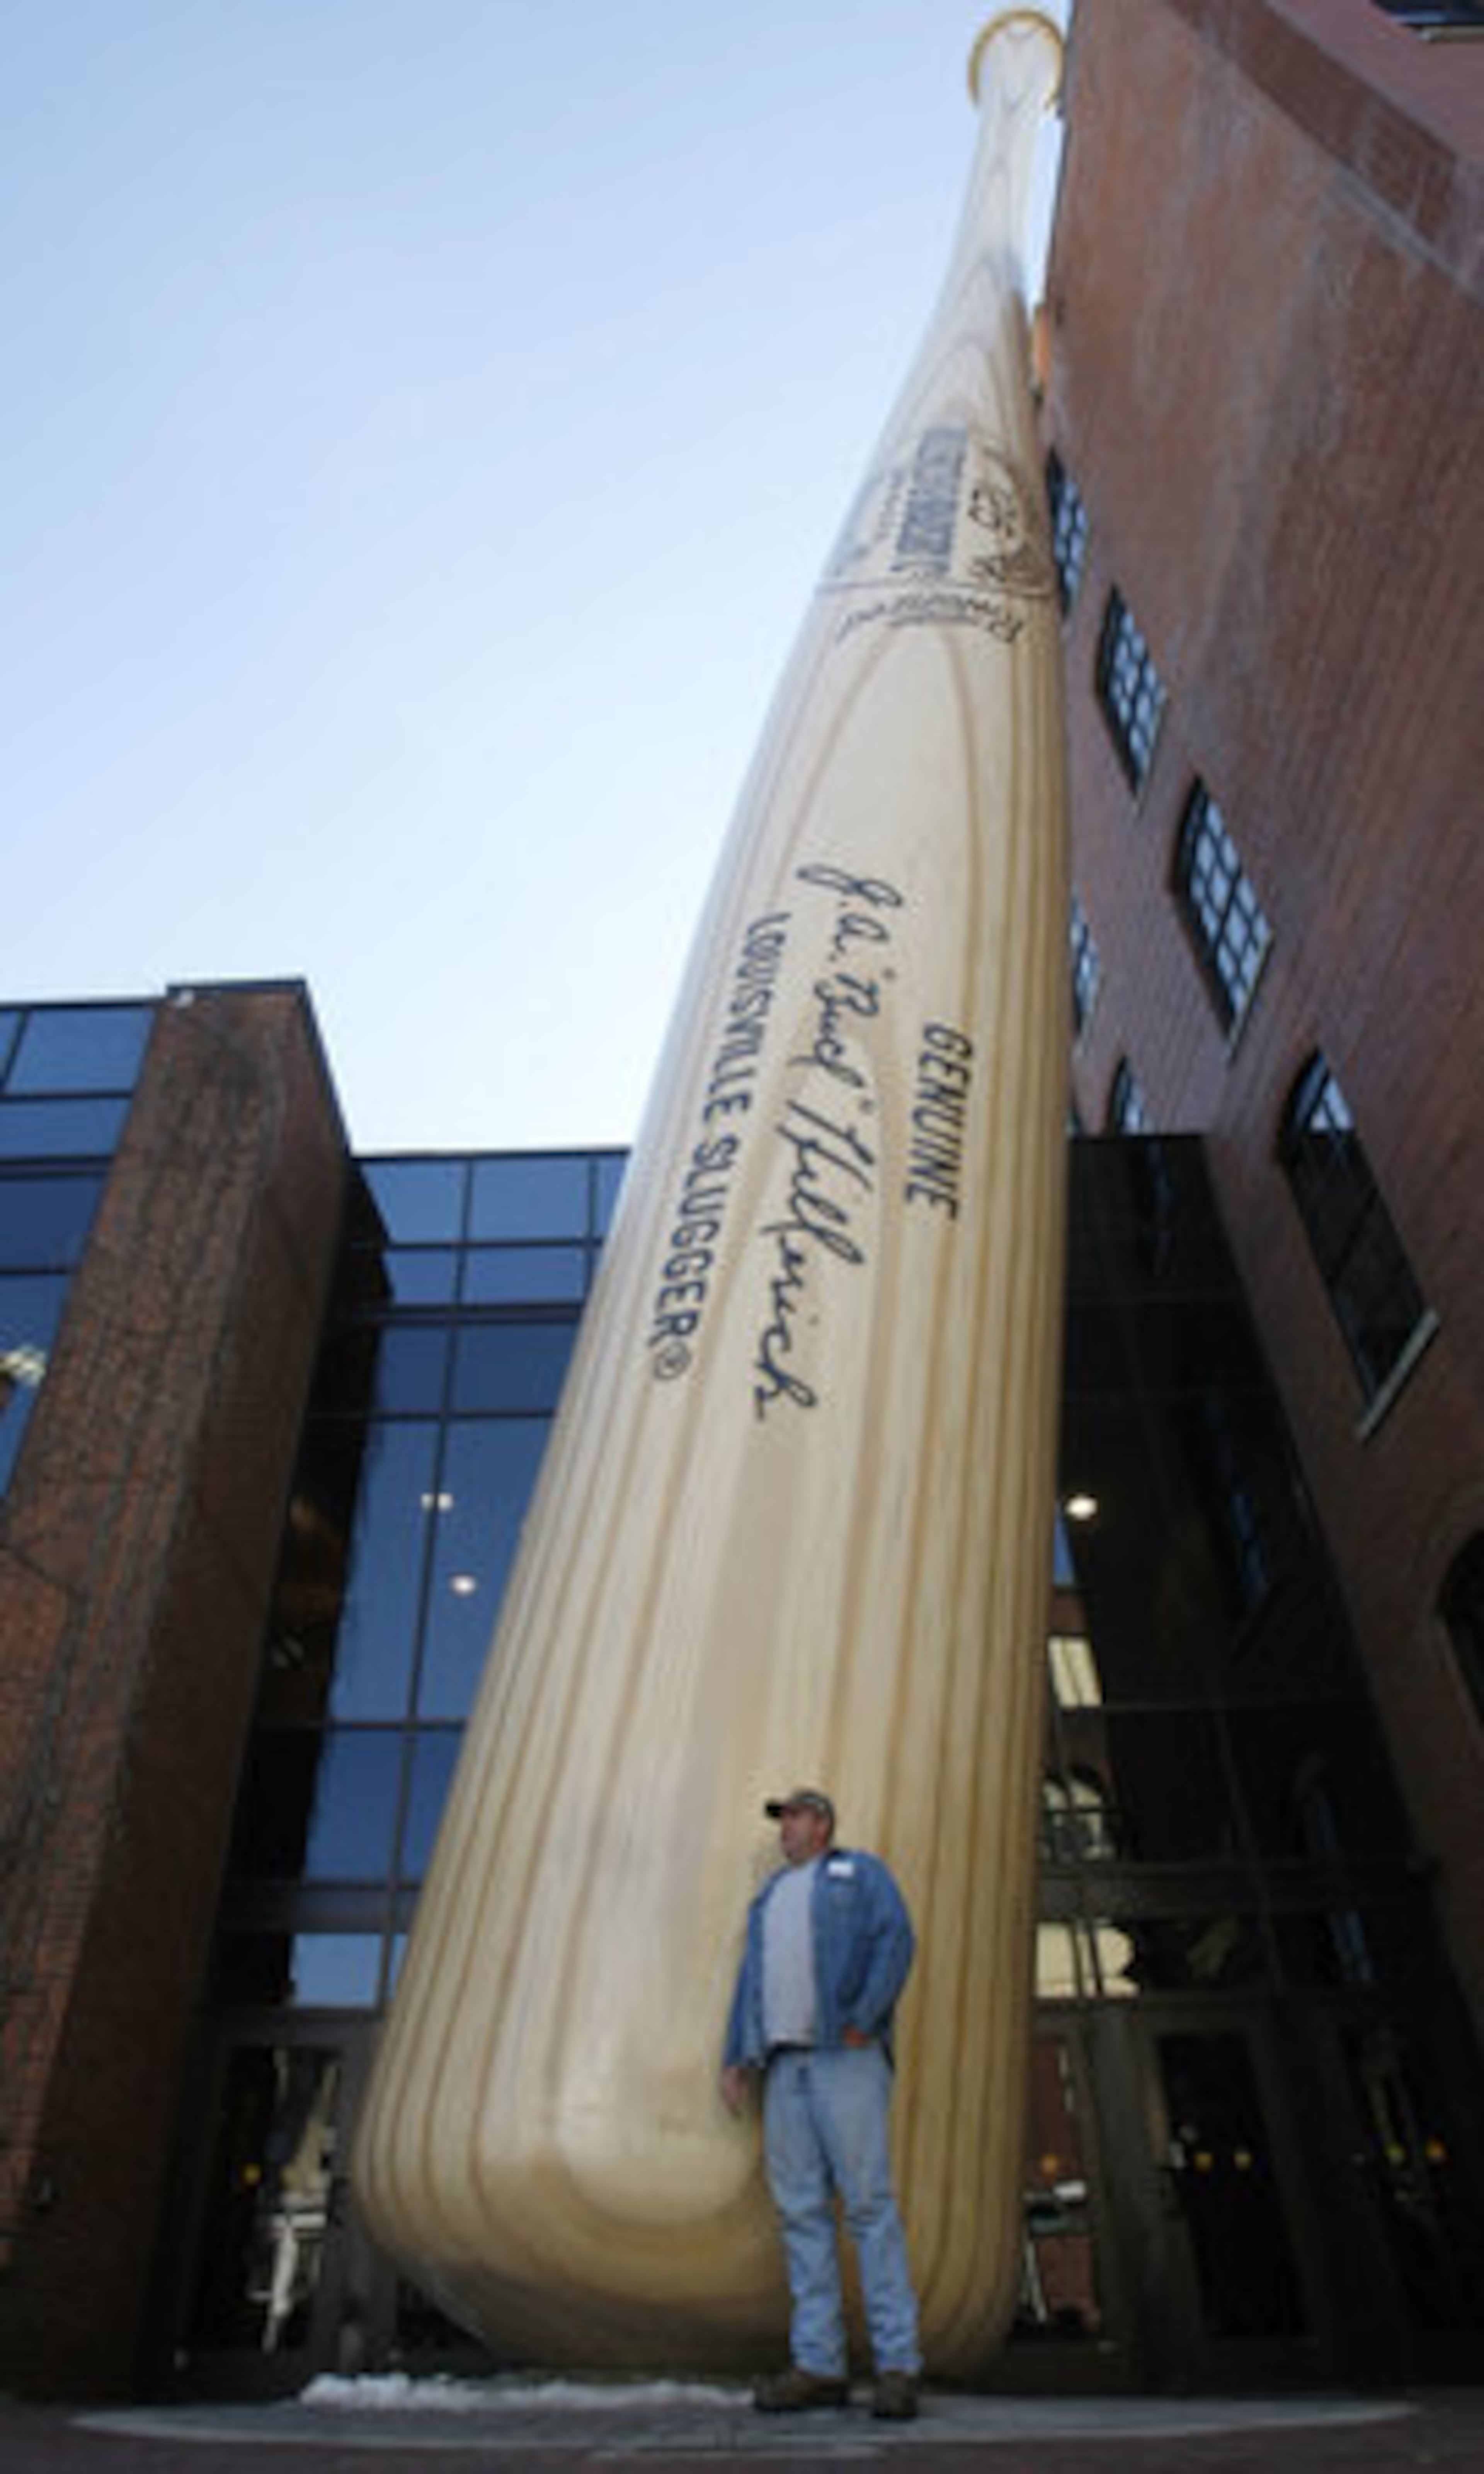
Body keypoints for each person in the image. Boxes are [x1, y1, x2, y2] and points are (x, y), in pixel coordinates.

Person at [720, 1786, 922, 2420]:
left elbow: (896, 1941)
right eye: (781, 1820)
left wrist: (864, 2017)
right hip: (784, 2066)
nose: (785, 1829)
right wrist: (736, 2059)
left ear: (823, 1823)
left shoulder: (858, 1874)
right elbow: (750, 1983)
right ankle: (819, 2365)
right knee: (801, 2213)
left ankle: (897, 2366)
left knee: (868, 2206)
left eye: (795, 1817)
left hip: (845, 2057)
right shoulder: (768, 1900)